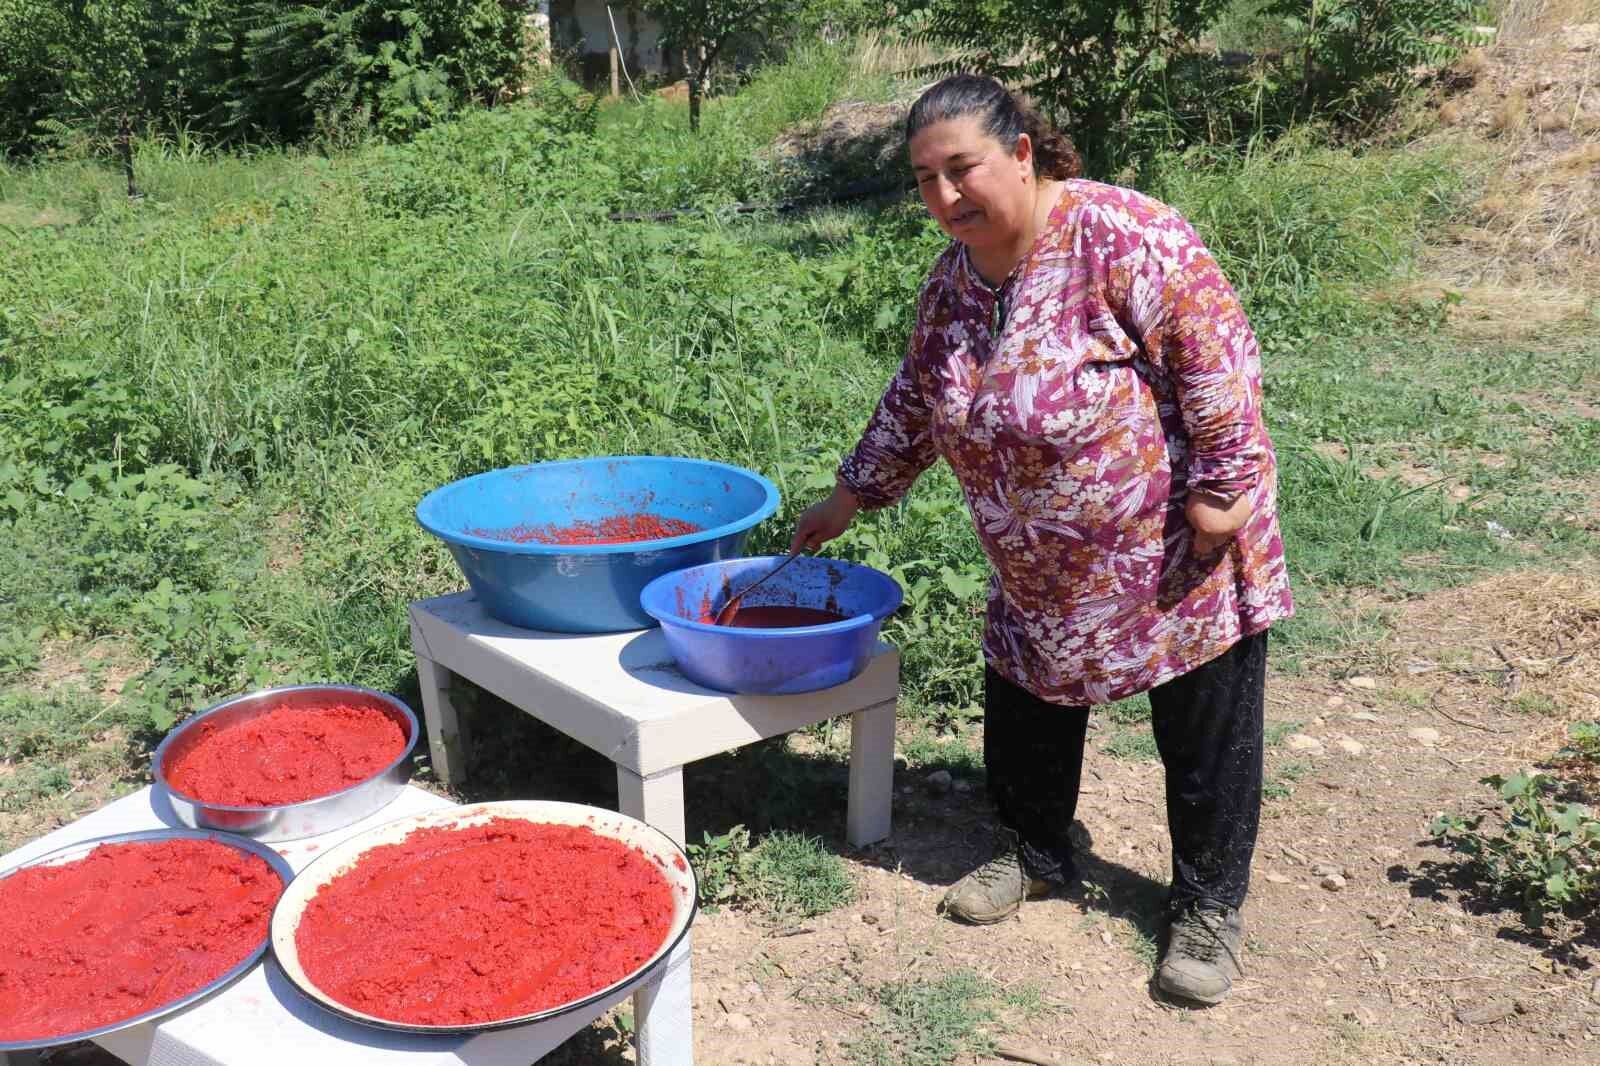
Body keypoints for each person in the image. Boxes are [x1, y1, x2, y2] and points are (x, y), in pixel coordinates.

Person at [790, 74, 1294, 1006]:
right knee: (1026, 700)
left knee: (1203, 726)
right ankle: (1036, 852)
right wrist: (853, 494)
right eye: (926, 179)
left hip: (1170, 549)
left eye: (963, 169)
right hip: (1036, 556)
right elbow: (915, 397)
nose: (946, 196)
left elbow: (1218, 361)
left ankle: (1208, 906)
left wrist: (1222, 494)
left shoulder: (1127, 237)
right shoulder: (953, 281)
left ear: (1022, 153)